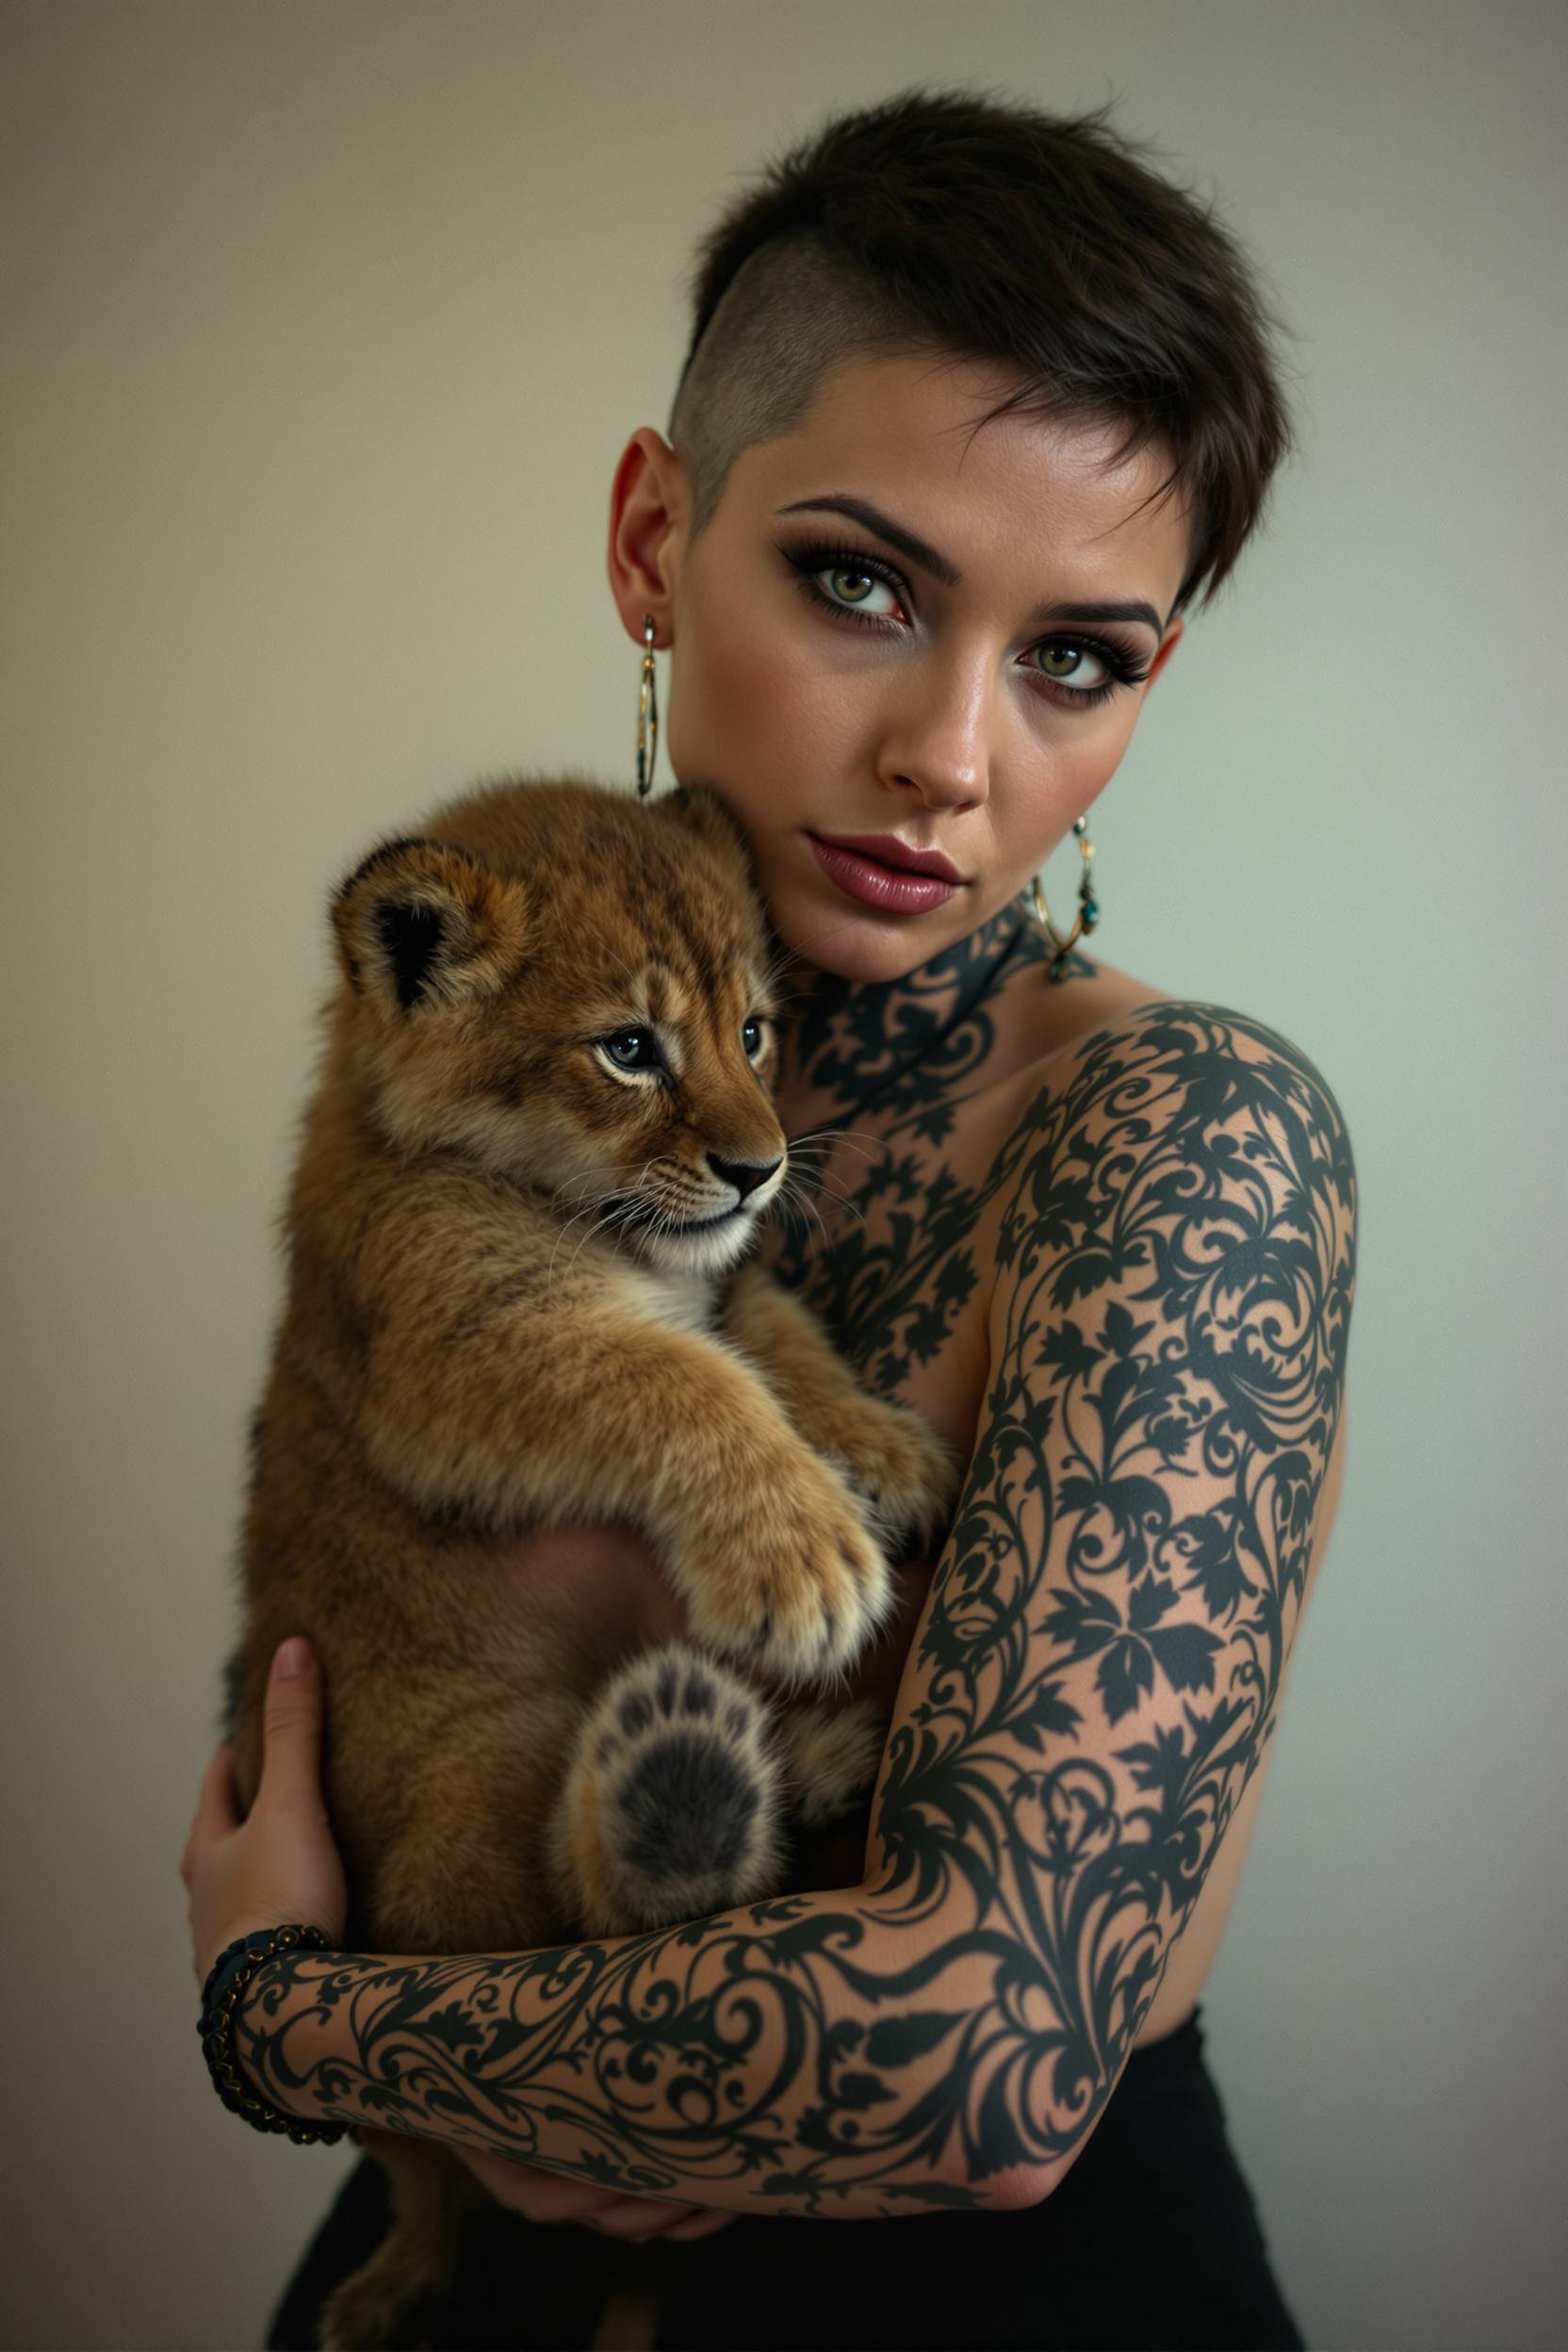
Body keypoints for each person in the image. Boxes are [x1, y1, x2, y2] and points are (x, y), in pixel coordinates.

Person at [182, 87, 1356, 2350]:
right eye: (860, 582)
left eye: (1074, 657)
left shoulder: (1177, 1143)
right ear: (652, 536)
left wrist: (280, 2019)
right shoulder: (504, 1023)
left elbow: (978, 2065)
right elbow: (349, 1639)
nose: (949, 751)